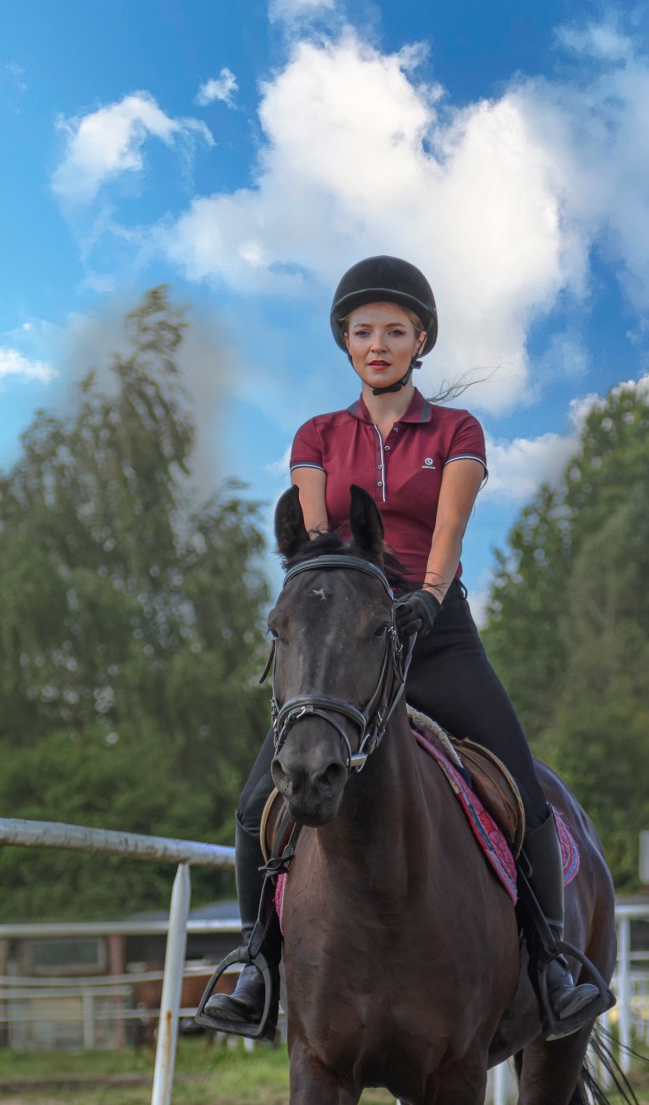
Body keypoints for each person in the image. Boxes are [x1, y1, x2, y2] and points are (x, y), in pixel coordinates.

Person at [201, 254, 608, 1041]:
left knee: (523, 790)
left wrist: (425, 594)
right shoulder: (317, 435)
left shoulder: (456, 430)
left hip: (434, 632)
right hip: (346, 639)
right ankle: (256, 966)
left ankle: (552, 964)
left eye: (395, 330)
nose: (377, 343)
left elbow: (449, 526)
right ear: (345, 343)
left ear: (421, 339)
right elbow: (317, 538)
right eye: (363, 331)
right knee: (259, 802)